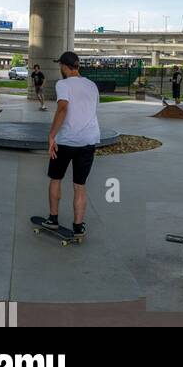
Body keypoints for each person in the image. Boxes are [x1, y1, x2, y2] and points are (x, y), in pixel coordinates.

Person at [44, 52, 101, 239]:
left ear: (64, 66)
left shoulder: (63, 84)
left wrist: (52, 135)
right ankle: (78, 228)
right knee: (80, 185)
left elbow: (62, 107)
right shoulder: (91, 85)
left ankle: (53, 219)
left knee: (55, 179)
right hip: (88, 140)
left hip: (66, 141)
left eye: (60, 65)